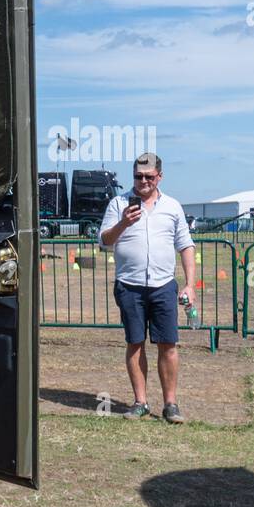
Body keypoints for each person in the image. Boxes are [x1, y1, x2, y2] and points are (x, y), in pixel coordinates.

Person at [99, 152, 195, 423]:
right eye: (138, 176)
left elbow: (186, 245)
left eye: (149, 177)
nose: (143, 181)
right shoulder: (118, 204)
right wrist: (123, 223)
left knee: (168, 345)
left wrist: (190, 285)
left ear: (159, 177)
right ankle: (140, 402)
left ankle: (171, 404)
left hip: (163, 285)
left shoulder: (173, 207)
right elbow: (104, 241)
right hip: (129, 286)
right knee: (135, 343)